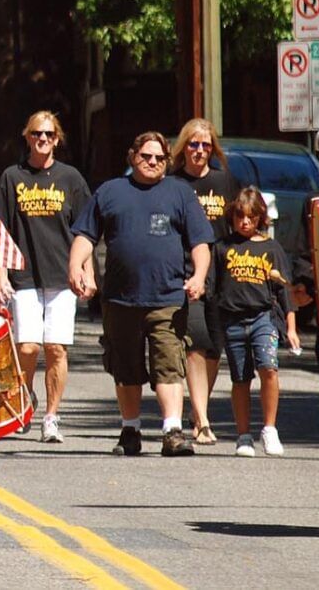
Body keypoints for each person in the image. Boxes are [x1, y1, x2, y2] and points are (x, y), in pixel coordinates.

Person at [69, 130, 212, 458]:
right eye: (146, 156)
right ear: (133, 157)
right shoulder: (110, 191)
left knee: (169, 365)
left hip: (167, 298)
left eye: (160, 158)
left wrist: (199, 276)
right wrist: (76, 266)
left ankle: (172, 431)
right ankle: (130, 429)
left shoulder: (180, 193)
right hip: (120, 299)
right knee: (125, 367)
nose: (152, 162)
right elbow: (85, 235)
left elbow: (200, 243)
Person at [0, 110, 92, 443]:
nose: (43, 140)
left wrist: (87, 272)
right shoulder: (12, 177)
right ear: (27, 136)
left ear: (57, 138)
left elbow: (86, 231)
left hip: (62, 276)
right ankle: (25, 398)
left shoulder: (71, 179)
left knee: (56, 348)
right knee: (28, 346)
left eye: (48, 134)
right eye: (37, 134)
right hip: (23, 275)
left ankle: (51, 417)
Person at [208, 188, 298, 457]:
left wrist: (291, 327)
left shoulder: (272, 248)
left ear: (260, 218)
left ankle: (269, 428)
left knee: (268, 368)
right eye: (239, 218)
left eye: (250, 217)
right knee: (240, 378)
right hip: (233, 320)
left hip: (263, 318)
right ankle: (243, 435)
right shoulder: (223, 247)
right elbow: (212, 288)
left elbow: (285, 290)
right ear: (232, 217)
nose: (245, 223)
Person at [167, 118, 238, 446]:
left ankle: (198, 414)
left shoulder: (224, 181)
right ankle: (203, 419)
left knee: (213, 348)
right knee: (195, 344)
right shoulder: (172, 182)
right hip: (184, 270)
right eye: (193, 144)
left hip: (221, 272)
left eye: (206, 145)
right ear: (183, 148)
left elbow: (240, 222)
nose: (199, 150)